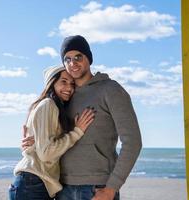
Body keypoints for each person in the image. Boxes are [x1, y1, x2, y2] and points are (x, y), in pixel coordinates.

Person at [22, 35, 142, 200]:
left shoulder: (110, 90)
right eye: (67, 59)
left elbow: (133, 141)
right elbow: (53, 138)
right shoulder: (64, 97)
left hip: (97, 188)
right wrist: (37, 142)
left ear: (89, 58)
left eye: (78, 57)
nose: (73, 63)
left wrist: (111, 188)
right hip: (62, 188)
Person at [9, 65, 95, 200]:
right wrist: (77, 132)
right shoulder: (48, 105)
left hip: (35, 184)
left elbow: (42, 148)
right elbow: (46, 154)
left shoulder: (53, 107)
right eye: (64, 82)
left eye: (72, 84)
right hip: (32, 185)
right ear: (52, 83)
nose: (69, 88)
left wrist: (37, 144)